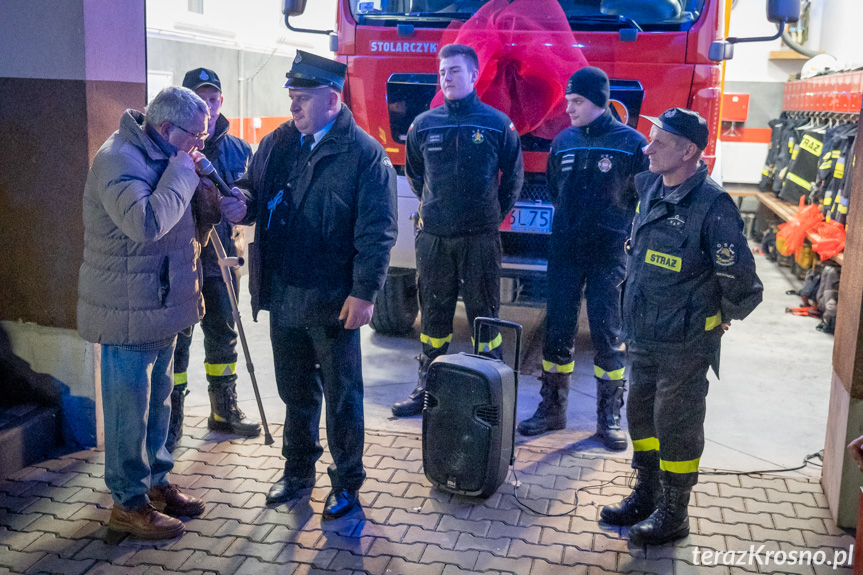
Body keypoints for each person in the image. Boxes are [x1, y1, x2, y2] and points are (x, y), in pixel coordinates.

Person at [234, 51, 397, 519]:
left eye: (301, 99)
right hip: (282, 292)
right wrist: (240, 203)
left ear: (332, 98)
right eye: (290, 97)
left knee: (343, 396)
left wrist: (365, 292)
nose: (293, 108)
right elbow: (255, 188)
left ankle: (347, 481)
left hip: (332, 300)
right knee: (295, 391)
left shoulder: (363, 154)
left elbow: (377, 231)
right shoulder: (278, 143)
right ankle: (297, 470)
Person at [600, 108, 763, 546]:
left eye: (660, 142)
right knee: (641, 417)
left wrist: (718, 318)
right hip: (643, 333)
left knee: (676, 424)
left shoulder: (713, 205)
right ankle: (647, 493)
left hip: (684, 342)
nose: (647, 148)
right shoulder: (650, 186)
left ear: (689, 150)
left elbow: (743, 282)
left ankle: (675, 512)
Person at [77, 86, 218, 539]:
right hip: (128, 311)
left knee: (158, 404)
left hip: (162, 306)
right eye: (193, 135)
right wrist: (183, 173)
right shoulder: (119, 159)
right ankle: (127, 503)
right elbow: (146, 224)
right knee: (127, 412)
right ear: (164, 128)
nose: (199, 144)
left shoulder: (165, 153)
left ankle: (157, 484)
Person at [516, 67, 648, 449]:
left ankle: (608, 418)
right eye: (569, 101)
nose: (569, 108)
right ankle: (552, 409)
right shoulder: (564, 141)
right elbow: (558, 189)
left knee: (609, 335)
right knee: (557, 331)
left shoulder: (632, 144)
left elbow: (643, 200)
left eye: (577, 102)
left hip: (609, 256)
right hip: (566, 252)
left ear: (599, 101)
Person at [391, 43, 524, 417]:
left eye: (454, 71)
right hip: (433, 239)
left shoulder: (497, 124)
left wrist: (491, 215)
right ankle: (427, 386)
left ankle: (489, 392)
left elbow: (513, 177)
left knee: (485, 316)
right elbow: (414, 174)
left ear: (474, 75)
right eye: (443, 72)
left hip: (480, 238)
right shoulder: (424, 124)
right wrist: (435, 208)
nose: (446, 78)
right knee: (433, 317)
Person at [167, 67, 258, 453]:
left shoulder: (239, 150)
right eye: (200, 97)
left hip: (222, 260)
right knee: (179, 341)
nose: (209, 103)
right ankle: (171, 420)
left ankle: (224, 410)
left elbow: (251, 198)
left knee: (224, 332)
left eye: (214, 97)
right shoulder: (171, 147)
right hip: (183, 259)